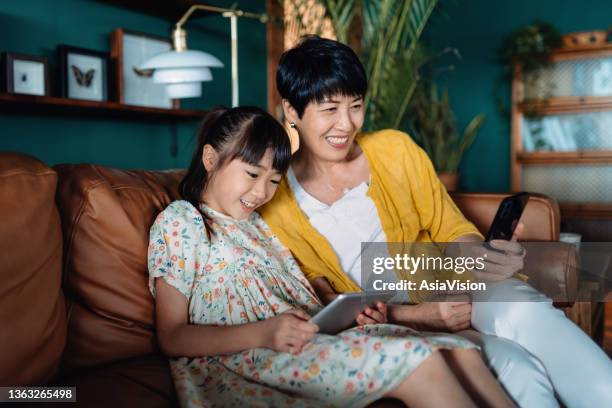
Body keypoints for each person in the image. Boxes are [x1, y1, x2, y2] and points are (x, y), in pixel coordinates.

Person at [259, 35, 612, 408]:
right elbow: (325, 302)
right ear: (291, 110)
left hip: (460, 286)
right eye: (330, 109)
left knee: (519, 306)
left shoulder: (396, 149)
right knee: (516, 368)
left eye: (356, 106)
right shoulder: (278, 202)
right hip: (393, 325)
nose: (346, 124)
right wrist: (421, 316)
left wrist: (483, 255)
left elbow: (450, 228)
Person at [147, 106, 515, 408]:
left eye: (273, 181)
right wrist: (266, 333)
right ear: (211, 158)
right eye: (251, 174)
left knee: (461, 351)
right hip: (249, 357)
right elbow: (173, 336)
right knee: (417, 359)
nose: (261, 191)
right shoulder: (183, 222)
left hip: (306, 338)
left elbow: (301, 299)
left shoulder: (260, 227)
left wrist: (347, 314)